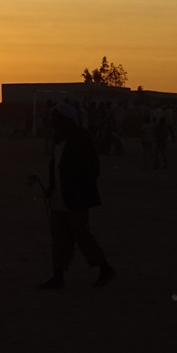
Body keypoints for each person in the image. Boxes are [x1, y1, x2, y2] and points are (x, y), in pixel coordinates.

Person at [38, 103, 115, 289]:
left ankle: (104, 268)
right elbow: (56, 166)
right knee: (59, 236)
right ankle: (58, 275)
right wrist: (51, 187)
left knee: (81, 234)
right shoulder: (58, 139)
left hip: (76, 197)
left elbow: (92, 168)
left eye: (56, 118)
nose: (53, 122)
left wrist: (80, 189)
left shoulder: (80, 137)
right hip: (59, 196)